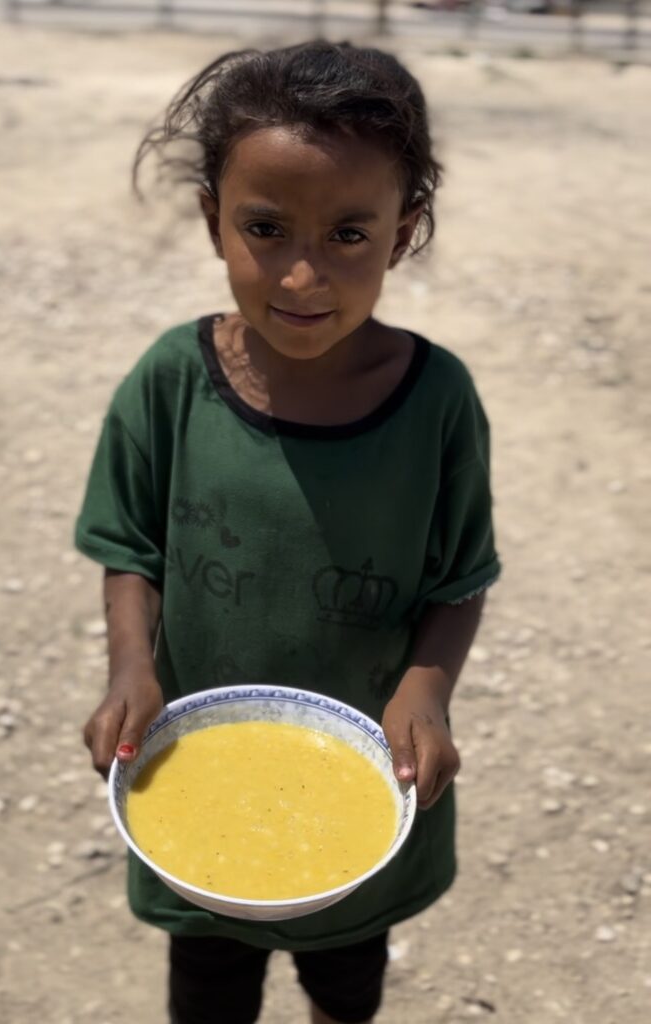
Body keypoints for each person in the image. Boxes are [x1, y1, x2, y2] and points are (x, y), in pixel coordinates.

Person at [75, 41, 500, 1024]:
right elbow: (128, 547)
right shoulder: (169, 382)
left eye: (348, 232)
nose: (303, 273)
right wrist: (130, 666)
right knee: (208, 992)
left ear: (402, 233)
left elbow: (458, 576)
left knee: (344, 993)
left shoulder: (434, 402)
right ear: (211, 221)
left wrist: (426, 690)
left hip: (358, 786)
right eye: (264, 228)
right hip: (197, 774)